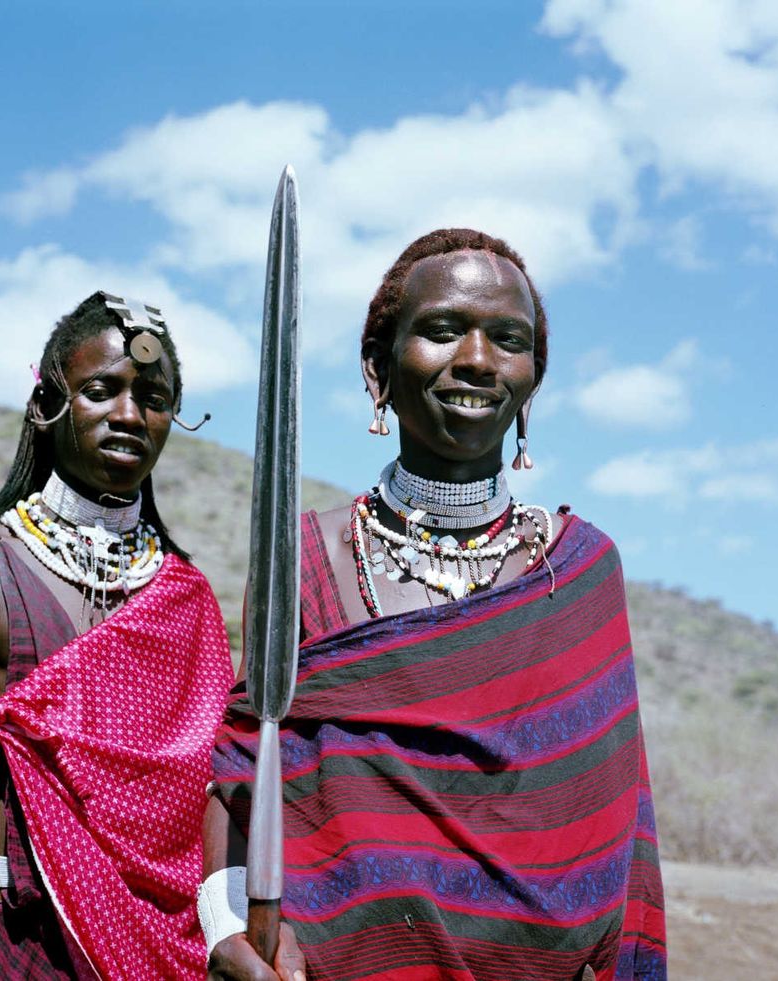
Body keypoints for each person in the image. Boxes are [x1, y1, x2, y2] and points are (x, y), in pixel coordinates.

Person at [201, 229, 667, 980]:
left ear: (533, 379)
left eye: (507, 339)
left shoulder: (580, 571)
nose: (478, 359)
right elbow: (239, 767)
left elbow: (613, 832)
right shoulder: (303, 558)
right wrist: (227, 924)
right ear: (378, 368)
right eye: (443, 330)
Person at [0, 292, 234, 979]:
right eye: (101, 389)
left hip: (160, 947)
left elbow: (206, 793)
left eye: (153, 396)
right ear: (46, 404)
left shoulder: (187, 597)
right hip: (11, 934)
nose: (128, 413)